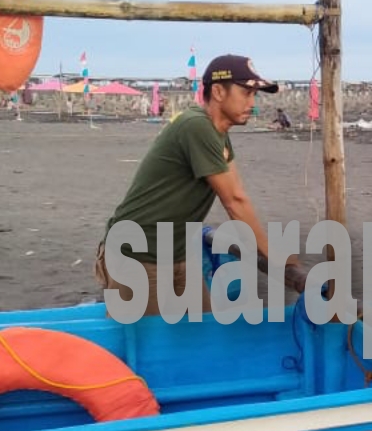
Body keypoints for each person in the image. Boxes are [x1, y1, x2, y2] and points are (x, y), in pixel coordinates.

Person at [94, 54, 286, 316]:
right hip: (139, 254)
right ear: (218, 91)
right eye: (246, 93)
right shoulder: (196, 126)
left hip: (178, 252)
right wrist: (280, 260)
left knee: (203, 332)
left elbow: (237, 191)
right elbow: (234, 202)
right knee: (151, 348)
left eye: (255, 95)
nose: (251, 103)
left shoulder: (218, 132)